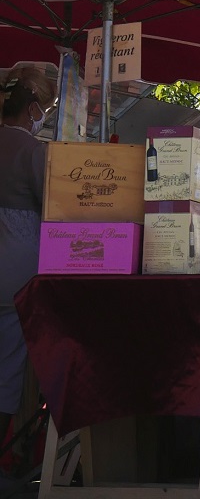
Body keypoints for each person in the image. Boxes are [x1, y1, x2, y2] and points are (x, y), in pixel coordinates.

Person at [0, 77, 49, 449]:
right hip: (14, 267)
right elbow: (51, 203)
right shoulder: (33, 149)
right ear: (32, 110)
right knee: (8, 365)